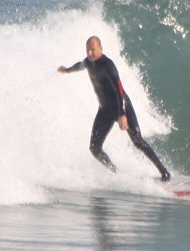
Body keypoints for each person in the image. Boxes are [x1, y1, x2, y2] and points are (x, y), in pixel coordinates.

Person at [58, 36, 171, 181]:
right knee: (95, 148)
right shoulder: (88, 62)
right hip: (104, 110)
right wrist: (67, 70)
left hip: (121, 106)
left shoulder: (107, 65)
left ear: (100, 48)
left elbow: (120, 90)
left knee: (138, 141)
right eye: (88, 50)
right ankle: (117, 174)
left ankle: (164, 172)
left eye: (93, 49)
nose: (90, 53)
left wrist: (122, 114)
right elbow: (80, 65)